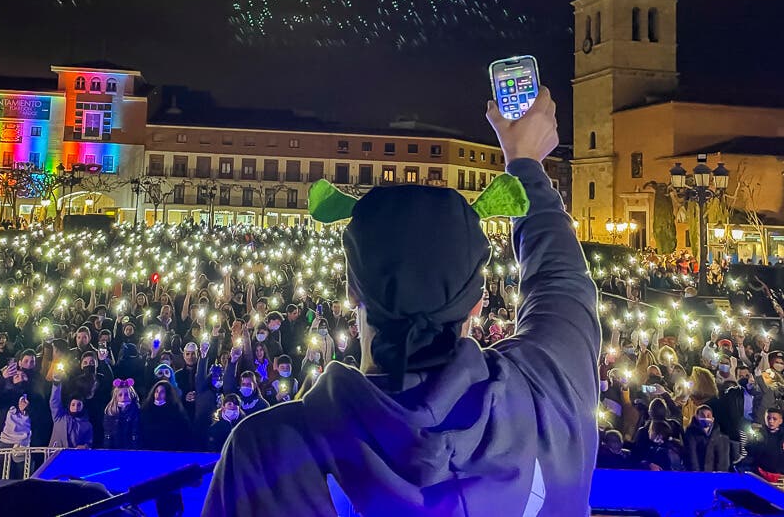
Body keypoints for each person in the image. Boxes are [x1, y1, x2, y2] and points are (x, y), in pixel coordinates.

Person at [203, 88, 602, 516]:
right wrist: (525, 164)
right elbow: (560, 281)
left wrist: (525, 164)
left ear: (352, 292)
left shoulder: (265, 452)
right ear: (477, 304)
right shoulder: (547, 396)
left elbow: (561, 284)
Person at [140, 380, 191, 452]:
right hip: (150, 451)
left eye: (162, 392)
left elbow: (183, 434)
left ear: (168, 394)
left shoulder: (176, 412)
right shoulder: (145, 410)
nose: (158, 394)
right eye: (156, 391)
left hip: (170, 451)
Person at [48, 376, 93, 449]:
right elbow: (54, 402)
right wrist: (57, 382)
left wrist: (85, 446)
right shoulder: (60, 417)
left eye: (79, 405)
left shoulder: (87, 425)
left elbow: (89, 442)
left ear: (83, 406)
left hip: (74, 457)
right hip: (56, 455)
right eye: (73, 405)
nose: (75, 407)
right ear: (69, 405)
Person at [741, 408, 784, 482]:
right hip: (760, 474)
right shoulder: (759, 433)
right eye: (768, 418)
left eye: (774, 419)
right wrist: (754, 440)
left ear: (780, 421)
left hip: (780, 477)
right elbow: (749, 451)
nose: (771, 421)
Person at [683, 404, 730, 472]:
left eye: (708, 416)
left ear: (712, 419)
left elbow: (722, 461)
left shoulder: (721, 437)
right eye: (702, 415)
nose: (705, 418)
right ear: (696, 417)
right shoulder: (690, 434)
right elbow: (691, 456)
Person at [102, 379, 140, 449]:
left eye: (126, 395)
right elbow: (108, 434)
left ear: (131, 396)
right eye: (120, 395)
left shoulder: (136, 411)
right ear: (115, 397)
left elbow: (136, 431)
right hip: (114, 448)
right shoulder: (110, 412)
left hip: (131, 449)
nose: (123, 397)